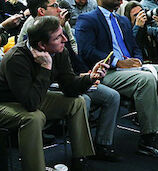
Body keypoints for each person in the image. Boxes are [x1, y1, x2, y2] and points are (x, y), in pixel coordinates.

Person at [75, 0, 158, 158]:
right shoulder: (87, 19)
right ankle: (148, 137)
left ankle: (155, 122)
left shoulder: (123, 20)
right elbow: (87, 51)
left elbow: (135, 47)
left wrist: (138, 61)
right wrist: (117, 63)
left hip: (131, 68)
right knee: (146, 80)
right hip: (106, 71)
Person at [0, 16, 104, 170]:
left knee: (77, 102)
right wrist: (45, 68)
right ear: (42, 45)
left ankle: (81, 158)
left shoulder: (59, 51)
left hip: (31, 96)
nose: (65, 40)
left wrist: (89, 78)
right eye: (58, 37)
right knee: (34, 117)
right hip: (6, 102)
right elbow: (31, 104)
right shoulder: (16, 58)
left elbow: (69, 87)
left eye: (62, 34)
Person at [125, 1, 158, 65]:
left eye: (141, 13)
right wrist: (137, 27)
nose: (140, 17)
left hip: (157, 64)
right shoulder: (126, 33)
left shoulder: (150, 30)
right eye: (136, 15)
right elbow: (133, 48)